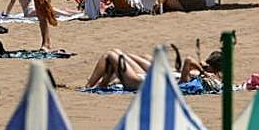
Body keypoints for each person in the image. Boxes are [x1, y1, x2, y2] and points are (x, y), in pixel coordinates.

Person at [86, 47, 222, 92]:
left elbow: (188, 60)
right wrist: (203, 70)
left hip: (137, 82)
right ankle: (101, 85)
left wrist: (203, 71)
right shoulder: (194, 79)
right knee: (116, 53)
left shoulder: (187, 81)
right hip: (144, 79)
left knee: (110, 54)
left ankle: (88, 86)